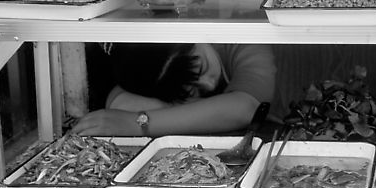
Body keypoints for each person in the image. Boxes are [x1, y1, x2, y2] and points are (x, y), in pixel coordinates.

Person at [72, 42, 276, 137]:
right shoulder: (156, 79)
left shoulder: (240, 40)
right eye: (190, 92)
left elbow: (246, 108)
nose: (210, 85)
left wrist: (140, 123)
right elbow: (120, 102)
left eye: (202, 67)